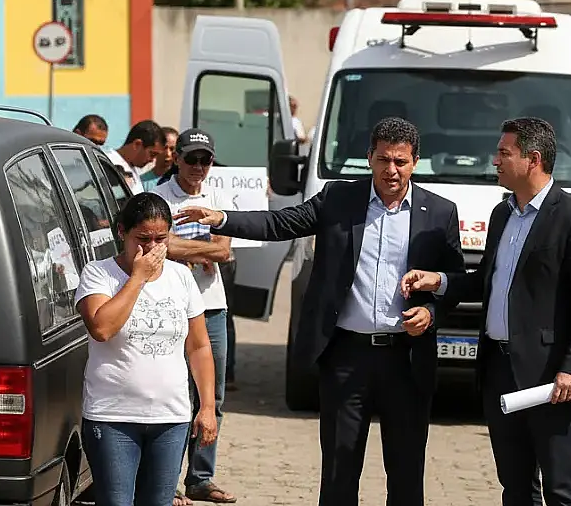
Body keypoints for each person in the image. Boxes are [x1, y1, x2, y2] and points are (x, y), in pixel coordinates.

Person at [175, 117, 462, 506]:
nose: (390, 171)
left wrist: (430, 310)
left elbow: (453, 280)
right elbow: (281, 222)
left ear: (415, 162)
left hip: (407, 361)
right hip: (347, 356)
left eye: (400, 161)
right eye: (382, 160)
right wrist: (224, 219)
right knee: (341, 469)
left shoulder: (439, 212)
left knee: (407, 469)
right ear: (368, 159)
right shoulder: (339, 199)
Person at [401, 116, 571, 506]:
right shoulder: (503, 214)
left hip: (549, 376)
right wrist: (437, 281)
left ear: (532, 158)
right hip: (498, 369)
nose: (494, 160)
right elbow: (485, 282)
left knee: (562, 488)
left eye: (503, 153)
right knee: (515, 486)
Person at [73, 193, 218, 506]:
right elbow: (102, 329)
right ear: (122, 232)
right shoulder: (99, 274)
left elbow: (199, 345)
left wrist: (206, 407)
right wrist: (137, 278)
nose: (152, 248)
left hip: (171, 417)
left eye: (161, 239)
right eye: (143, 238)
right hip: (112, 417)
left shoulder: (181, 277)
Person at [152, 129, 238, 505]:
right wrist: (192, 249)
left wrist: (182, 249)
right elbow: (159, 243)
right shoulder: (157, 195)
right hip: (168, 307)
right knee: (172, 396)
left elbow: (223, 251)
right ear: (177, 159)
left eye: (206, 160)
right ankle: (165, 482)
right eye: (192, 159)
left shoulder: (218, 196)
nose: (199, 167)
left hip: (211, 306)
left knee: (210, 397)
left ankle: (201, 477)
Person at [109, 120, 166, 196]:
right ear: (137, 144)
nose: (152, 160)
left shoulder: (133, 169)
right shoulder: (108, 163)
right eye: (152, 154)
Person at [143, 127, 179, 191]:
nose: (168, 154)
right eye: (164, 148)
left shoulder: (183, 179)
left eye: (172, 149)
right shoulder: (142, 182)